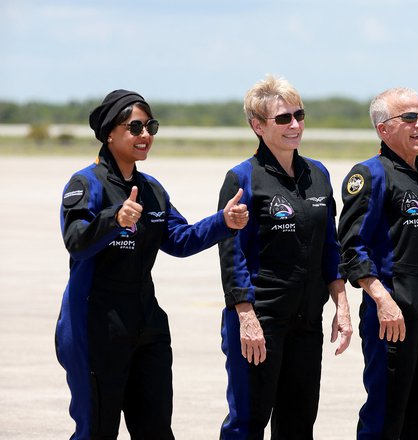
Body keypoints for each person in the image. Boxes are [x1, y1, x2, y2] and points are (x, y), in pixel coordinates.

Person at [55, 89, 249, 440]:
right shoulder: (86, 184)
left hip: (146, 325)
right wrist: (114, 218)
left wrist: (223, 222)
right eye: (135, 127)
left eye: (151, 126)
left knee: (156, 429)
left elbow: (179, 240)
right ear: (109, 133)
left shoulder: (151, 189)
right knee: (97, 430)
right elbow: (77, 242)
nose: (145, 135)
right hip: (96, 325)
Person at [216, 74, 352, 439]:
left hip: (307, 322)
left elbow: (330, 246)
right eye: (283, 118)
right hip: (261, 321)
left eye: (299, 115)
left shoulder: (318, 174)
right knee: (248, 420)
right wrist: (246, 316)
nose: (295, 125)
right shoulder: (243, 178)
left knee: (298, 423)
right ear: (257, 126)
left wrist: (341, 304)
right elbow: (232, 255)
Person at [337, 87, 418, 439]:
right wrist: (381, 299)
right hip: (391, 317)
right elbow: (351, 247)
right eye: (408, 117)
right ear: (384, 129)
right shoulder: (369, 175)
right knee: (385, 417)